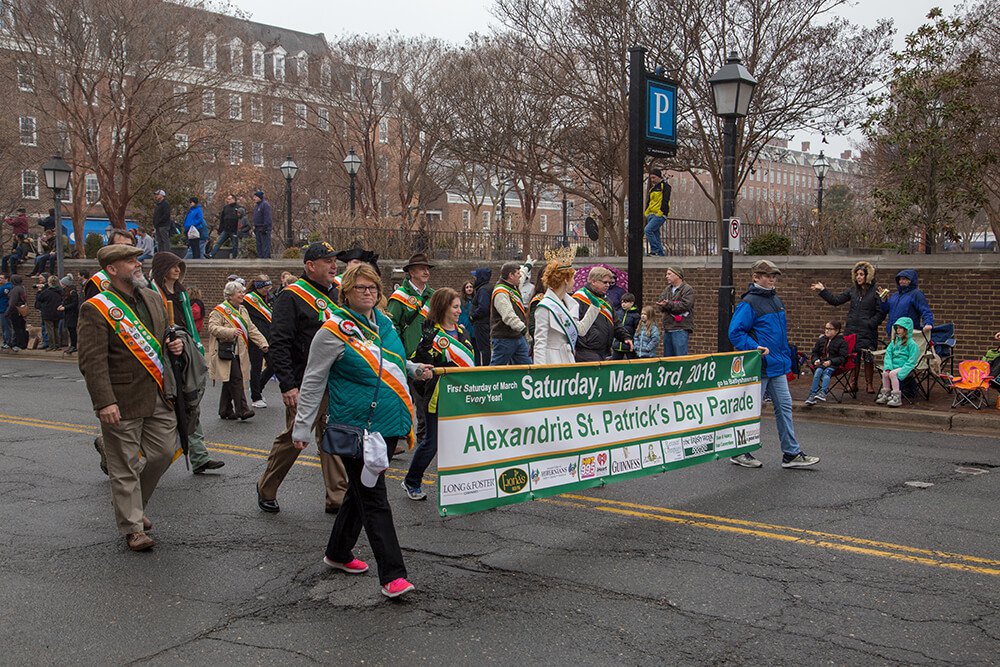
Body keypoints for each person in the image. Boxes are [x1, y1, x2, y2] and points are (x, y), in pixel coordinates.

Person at [292, 263, 431, 598]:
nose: (368, 293)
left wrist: (413, 368)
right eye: (360, 288)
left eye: (372, 288)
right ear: (347, 292)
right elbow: (313, 380)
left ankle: (338, 552)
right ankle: (392, 575)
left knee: (360, 491)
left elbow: (392, 359)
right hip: (358, 427)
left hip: (391, 422)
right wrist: (302, 427)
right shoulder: (333, 331)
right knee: (374, 497)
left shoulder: (383, 323)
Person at [77, 244, 185, 551]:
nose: (138, 264)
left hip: (157, 392)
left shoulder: (152, 297)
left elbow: (163, 337)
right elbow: (92, 361)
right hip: (120, 398)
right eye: (130, 261)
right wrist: (104, 401)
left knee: (163, 454)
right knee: (124, 465)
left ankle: (134, 505)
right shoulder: (95, 308)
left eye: (137, 259)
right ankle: (133, 527)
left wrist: (172, 345)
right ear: (112, 269)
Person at [256, 242, 348, 515]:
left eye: (335, 261)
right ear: (310, 266)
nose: (334, 266)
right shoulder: (291, 296)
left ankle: (337, 496)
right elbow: (279, 343)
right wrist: (288, 384)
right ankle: (266, 487)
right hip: (304, 382)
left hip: (334, 380)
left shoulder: (336, 294)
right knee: (294, 439)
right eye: (327, 261)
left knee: (333, 436)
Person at [728, 260, 820, 469]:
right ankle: (740, 451)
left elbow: (778, 335)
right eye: (768, 276)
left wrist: (787, 357)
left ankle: (791, 453)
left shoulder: (776, 300)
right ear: (755, 277)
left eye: (774, 276)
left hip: (776, 364)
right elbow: (735, 332)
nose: (772, 279)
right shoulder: (749, 303)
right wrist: (755, 347)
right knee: (752, 411)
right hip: (759, 366)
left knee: (784, 407)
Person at [149, 252, 224, 475]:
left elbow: (190, 323)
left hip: (185, 352)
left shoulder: (181, 293)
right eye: (173, 266)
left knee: (191, 403)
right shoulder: (151, 293)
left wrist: (197, 346)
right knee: (163, 410)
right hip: (163, 356)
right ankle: (136, 457)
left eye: (179, 266)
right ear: (163, 268)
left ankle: (200, 456)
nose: (177, 270)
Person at [403, 287, 475, 500]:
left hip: (461, 396)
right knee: (431, 442)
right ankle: (411, 481)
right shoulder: (431, 334)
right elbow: (417, 364)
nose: (459, 311)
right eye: (455, 307)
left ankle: (469, 487)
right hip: (437, 396)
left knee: (464, 441)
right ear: (443, 307)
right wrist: (426, 345)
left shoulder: (461, 332)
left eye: (460, 307)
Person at [811, 261, 885, 394]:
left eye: (862, 274)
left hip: (868, 330)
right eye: (857, 274)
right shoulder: (853, 291)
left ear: (868, 276)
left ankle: (869, 384)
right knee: (853, 357)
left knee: (868, 357)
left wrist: (871, 323)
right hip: (852, 330)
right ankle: (853, 383)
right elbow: (836, 300)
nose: (859, 277)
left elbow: (881, 312)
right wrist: (823, 290)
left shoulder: (875, 292)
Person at [387, 253, 435, 451]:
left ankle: (425, 435)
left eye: (427, 268)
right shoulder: (400, 297)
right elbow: (392, 326)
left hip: (428, 354)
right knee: (407, 397)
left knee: (427, 398)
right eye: (421, 268)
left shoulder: (432, 295)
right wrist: (399, 350)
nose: (426, 271)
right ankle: (404, 436)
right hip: (407, 355)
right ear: (411, 272)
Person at [208, 281, 269, 420]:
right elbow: (212, 328)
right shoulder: (219, 311)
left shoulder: (243, 310)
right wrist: (230, 332)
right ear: (230, 296)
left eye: (243, 291)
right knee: (237, 379)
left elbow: (251, 328)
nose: (243, 294)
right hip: (225, 351)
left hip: (239, 351)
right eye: (239, 292)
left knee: (230, 379)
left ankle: (225, 410)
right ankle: (242, 410)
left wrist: (263, 343)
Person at [532, 253, 599, 365]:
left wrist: (594, 308)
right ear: (565, 280)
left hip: (567, 357)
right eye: (573, 278)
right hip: (551, 359)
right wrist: (540, 370)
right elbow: (540, 343)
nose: (574, 282)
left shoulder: (570, 303)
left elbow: (580, 330)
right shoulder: (545, 306)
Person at [573, 266, 626, 362]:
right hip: (586, 350)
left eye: (609, 283)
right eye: (604, 282)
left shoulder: (607, 300)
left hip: (605, 351)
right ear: (593, 281)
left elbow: (615, 322)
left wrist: (625, 337)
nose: (608, 285)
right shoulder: (579, 298)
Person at [489, 262, 530, 365]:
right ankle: (488, 381)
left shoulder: (512, 285)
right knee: (497, 369)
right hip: (504, 338)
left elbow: (522, 277)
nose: (520, 275)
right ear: (510, 276)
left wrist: (527, 267)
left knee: (527, 367)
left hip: (517, 336)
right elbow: (508, 316)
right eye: (517, 273)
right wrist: (523, 329)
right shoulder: (500, 292)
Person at [243, 275, 274, 409]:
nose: (268, 290)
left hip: (269, 336)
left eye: (269, 287)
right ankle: (256, 397)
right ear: (258, 287)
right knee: (256, 366)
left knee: (274, 364)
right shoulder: (248, 299)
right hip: (255, 337)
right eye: (265, 288)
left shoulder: (269, 298)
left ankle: (258, 386)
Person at [876, 317, 921, 408]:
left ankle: (896, 397)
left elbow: (912, 361)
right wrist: (888, 367)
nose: (898, 330)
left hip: (904, 367)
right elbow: (888, 355)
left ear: (906, 330)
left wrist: (902, 372)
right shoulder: (894, 342)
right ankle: (886, 393)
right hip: (894, 366)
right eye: (897, 328)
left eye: (900, 328)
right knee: (885, 373)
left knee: (893, 374)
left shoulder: (912, 344)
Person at [880, 269, 933, 339]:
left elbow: (925, 310)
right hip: (893, 333)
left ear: (911, 281)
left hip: (907, 334)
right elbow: (886, 310)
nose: (901, 281)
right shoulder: (895, 295)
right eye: (900, 279)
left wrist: (928, 323)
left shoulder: (916, 294)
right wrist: (883, 300)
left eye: (904, 279)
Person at [804, 321, 849, 405]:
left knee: (826, 372)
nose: (827, 331)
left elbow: (843, 357)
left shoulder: (841, 342)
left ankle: (823, 393)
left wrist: (831, 361)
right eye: (826, 328)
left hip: (834, 364)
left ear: (836, 331)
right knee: (817, 372)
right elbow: (815, 353)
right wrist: (816, 360)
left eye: (830, 329)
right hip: (822, 362)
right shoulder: (822, 340)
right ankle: (812, 395)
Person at [656, 267, 694, 357]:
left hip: (680, 327)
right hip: (668, 327)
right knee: (668, 358)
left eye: (669, 274)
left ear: (678, 275)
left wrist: (668, 304)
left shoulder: (687, 289)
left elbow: (685, 306)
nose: (666, 276)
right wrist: (663, 305)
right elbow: (661, 302)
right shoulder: (667, 289)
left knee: (680, 357)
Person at [643, 169, 671, 256]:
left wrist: (661, 212)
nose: (652, 180)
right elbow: (649, 201)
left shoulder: (665, 186)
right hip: (651, 214)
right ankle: (661, 253)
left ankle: (655, 250)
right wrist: (647, 212)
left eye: (654, 177)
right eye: (651, 178)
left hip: (659, 214)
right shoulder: (652, 188)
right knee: (656, 235)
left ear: (659, 177)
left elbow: (665, 200)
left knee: (648, 230)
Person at [469, 267, 493, 365]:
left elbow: (483, 308)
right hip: (483, 323)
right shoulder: (486, 288)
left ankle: (485, 367)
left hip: (481, 323)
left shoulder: (483, 290)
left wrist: (473, 316)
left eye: (476, 276)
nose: (474, 278)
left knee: (484, 348)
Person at [34, 275, 64, 351]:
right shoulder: (60, 291)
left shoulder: (46, 292)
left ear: (49, 282)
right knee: (56, 329)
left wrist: (39, 290)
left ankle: (52, 346)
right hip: (57, 312)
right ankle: (57, 345)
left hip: (48, 313)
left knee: (50, 330)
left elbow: (39, 298)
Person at [209, 194, 240, 259]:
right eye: (227, 199)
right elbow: (222, 219)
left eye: (229, 199)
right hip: (226, 230)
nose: (227, 200)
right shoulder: (225, 207)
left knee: (235, 245)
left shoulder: (239, 208)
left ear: (233, 199)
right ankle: (211, 255)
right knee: (218, 242)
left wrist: (238, 230)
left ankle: (234, 257)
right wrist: (220, 229)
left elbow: (240, 219)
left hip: (234, 230)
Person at [611, 293, 639, 360]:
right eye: (622, 302)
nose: (623, 304)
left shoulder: (636, 316)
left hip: (629, 345)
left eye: (626, 302)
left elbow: (637, 331)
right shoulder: (618, 313)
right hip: (617, 345)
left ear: (632, 303)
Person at [60, 275, 79, 353]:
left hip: (72, 314)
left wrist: (65, 307)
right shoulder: (66, 292)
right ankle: (72, 345)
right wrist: (62, 305)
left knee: (72, 330)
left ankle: (74, 346)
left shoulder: (72, 292)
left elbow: (74, 304)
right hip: (68, 314)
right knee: (70, 330)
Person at [252, 191, 273, 259]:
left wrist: (265, 227)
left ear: (259, 197)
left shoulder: (265, 205)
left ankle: (265, 259)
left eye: (255, 197)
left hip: (264, 228)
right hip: (258, 228)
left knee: (265, 245)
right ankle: (260, 257)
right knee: (259, 245)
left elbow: (267, 217)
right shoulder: (256, 206)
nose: (254, 198)